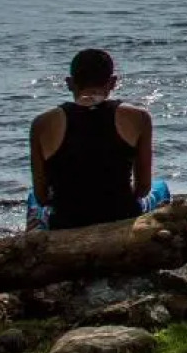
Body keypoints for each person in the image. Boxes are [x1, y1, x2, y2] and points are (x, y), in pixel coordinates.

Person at [26, 49, 169, 230]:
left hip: (66, 221)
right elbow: (143, 188)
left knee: (32, 198)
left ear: (69, 83)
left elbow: (41, 196)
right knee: (161, 187)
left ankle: (35, 245)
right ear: (113, 82)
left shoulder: (42, 123)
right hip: (121, 215)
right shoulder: (139, 118)